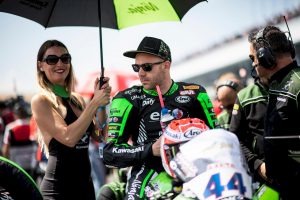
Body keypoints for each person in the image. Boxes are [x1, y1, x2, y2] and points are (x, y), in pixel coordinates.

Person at [102, 36, 218, 199]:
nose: (141, 73)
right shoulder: (126, 99)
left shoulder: (195, 93)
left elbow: (219, 138)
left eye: (147, 67)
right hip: (148, 170)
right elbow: (110, 153)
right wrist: (151, 149)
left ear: (166, 65)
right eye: (137, 67)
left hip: (194, 168)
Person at [31, 40, 111, 200]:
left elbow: (101, 136)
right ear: (41, 65)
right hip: (58, 191)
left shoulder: (78, 100)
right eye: (52, 59)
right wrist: (94, 103)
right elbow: (68, 138)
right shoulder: (41, 101)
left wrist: (101, 104)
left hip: (85, 189)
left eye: (65, 58)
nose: (60, 63)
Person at [247, 25, 299, 199]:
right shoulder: (279, 85)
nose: (253, 64)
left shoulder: (296, 85)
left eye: (253, 58)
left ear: (265, 57)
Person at [229, 61, 276, 196]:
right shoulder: (245, 96)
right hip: (265, 179)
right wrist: (258, 165)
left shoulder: (293, 84)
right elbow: (235, 140)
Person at [2, 101, 36, 177]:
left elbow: (6, 148)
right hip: (31, 164)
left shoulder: (10, 127)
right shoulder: (32, 126)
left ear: (15, 114)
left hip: (16, 165)